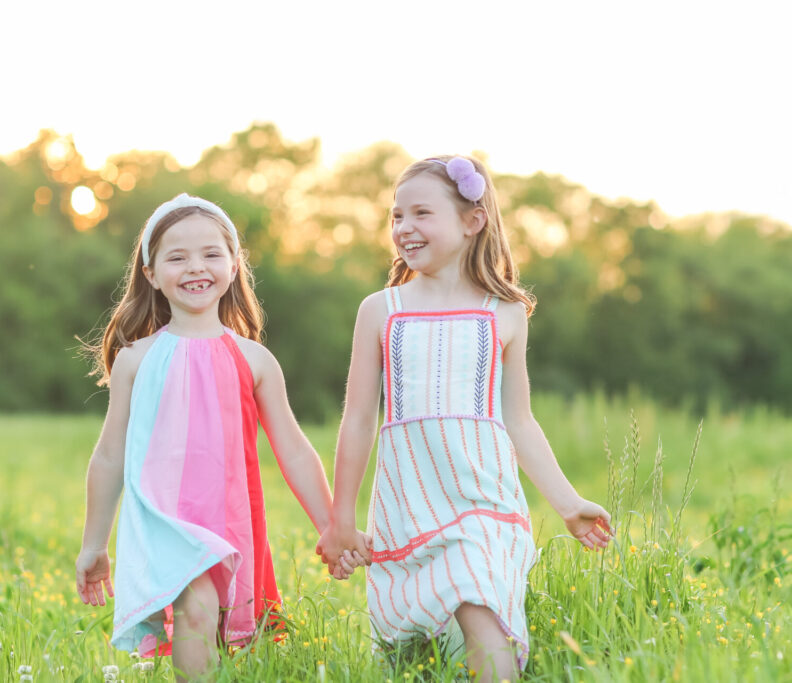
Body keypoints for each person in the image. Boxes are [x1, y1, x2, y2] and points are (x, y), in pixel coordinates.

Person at [316, 156, 613, 681]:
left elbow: (519, 421)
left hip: (483, 499)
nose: (404, 228)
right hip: (410, 502)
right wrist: (342, 518)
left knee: (482, 610)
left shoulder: (504, 312)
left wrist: (567, 504)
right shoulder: (380, 310)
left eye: (421, 213)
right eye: (396, 216)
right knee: (418, 652)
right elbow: (358, 419)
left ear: (471, 221)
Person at [75, 194, 363, 682]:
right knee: (197, 610)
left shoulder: (254, 360)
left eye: (211, 254)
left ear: (234, 265)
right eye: (177, 256)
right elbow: (109, 455)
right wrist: (94, 543)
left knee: (217, 634)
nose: (195, 268)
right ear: (150, 272)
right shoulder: (136, 359)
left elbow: (292, 448)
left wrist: (331, 526)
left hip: (229, 520)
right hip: (163, 520)